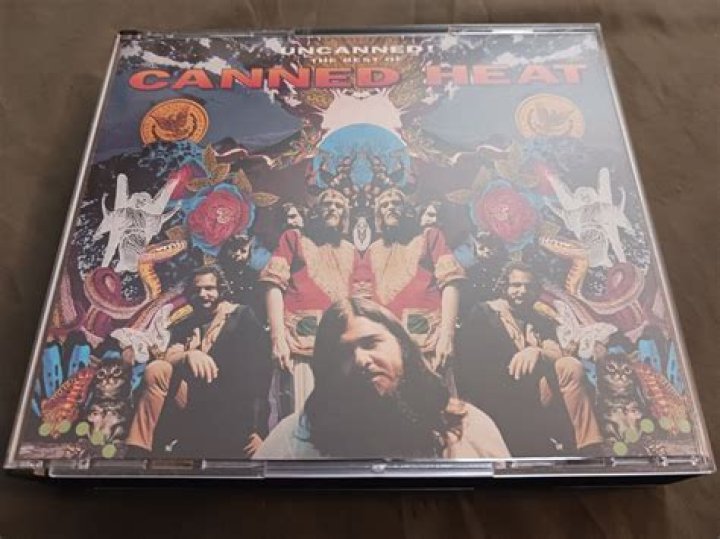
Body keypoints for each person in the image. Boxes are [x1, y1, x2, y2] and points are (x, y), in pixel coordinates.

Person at [254, 297, 509, 459]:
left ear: (403, 347)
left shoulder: (466, 425)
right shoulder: (295, 437)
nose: (360, 360)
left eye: (370, 343)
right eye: (343, 353)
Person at [455, 262, 603, 456]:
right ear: (504, 287)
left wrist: (536, 351)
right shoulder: (483, 313)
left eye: (529, 286)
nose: (523, 291)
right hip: (498, 395)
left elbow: (557, 354)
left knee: (570, 366)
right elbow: (472, 366)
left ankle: (588, 447)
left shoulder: (540, 320)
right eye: (516, 285)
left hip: (535, 393)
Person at [125, 265, 272, 459]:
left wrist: (257, 427)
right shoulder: (186, 324)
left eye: (209, 288)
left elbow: (258, 374)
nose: (202, 294)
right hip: (194, 401)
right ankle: (138, 450)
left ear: (221, 290)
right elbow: (169, 356)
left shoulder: (242, 317)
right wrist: (189, 355)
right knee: (157, 369)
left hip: (230, 405)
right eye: (196, 290)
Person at [260, 188, 359, 418]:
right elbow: (273, 285)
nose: (332, 208)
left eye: (338, 205)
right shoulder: (294, 238)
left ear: (345, 215)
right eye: (327, 204)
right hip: (301, 344)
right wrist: (278, 338)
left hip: (342, 346)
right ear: (316, 211)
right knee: (300, 416)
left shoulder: (352, 251)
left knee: (341, 417)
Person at [354, 188, 465, 375]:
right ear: (379, 214)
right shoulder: (372, 250)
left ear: (406, 210)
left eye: (396, 203)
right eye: (384, 205)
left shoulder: (429, 236)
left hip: (426, 341)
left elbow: (451, 283)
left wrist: (447, 337)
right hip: (386, 347)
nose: (390, 207)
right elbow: (363, 301)